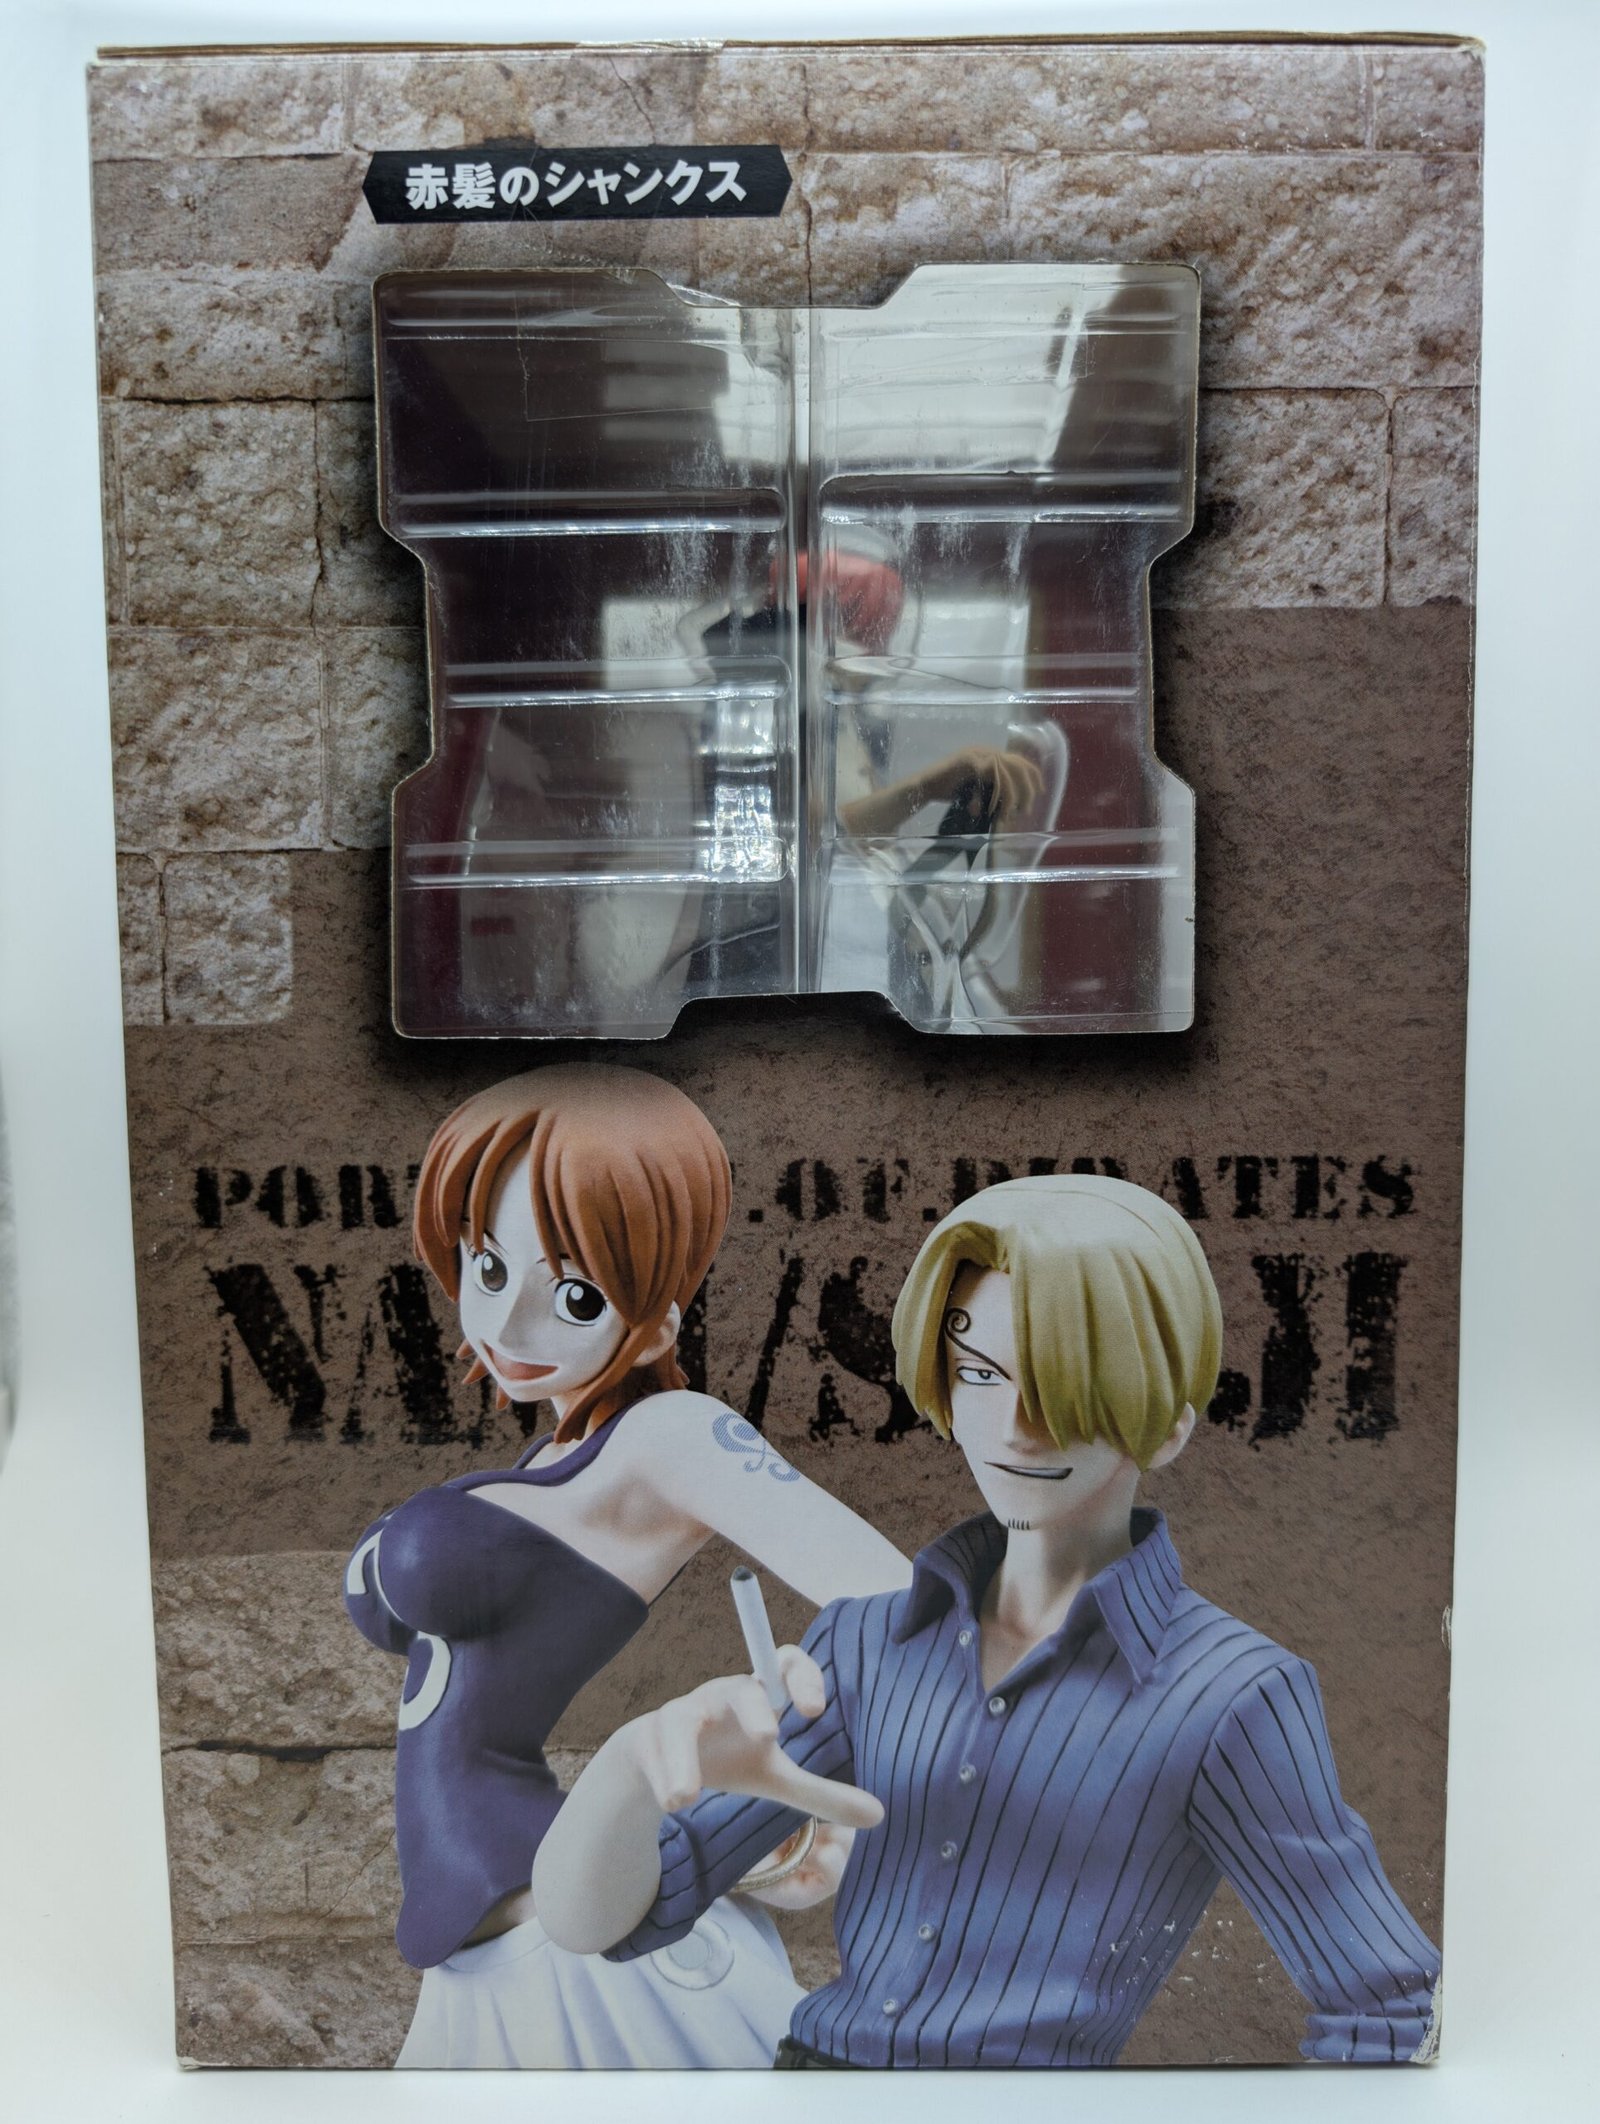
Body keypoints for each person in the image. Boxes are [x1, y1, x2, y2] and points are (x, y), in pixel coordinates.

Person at [533, 1175, 1441, 2068]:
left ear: (1169, 1424)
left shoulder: (1235, 1695)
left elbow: (1391, 2009)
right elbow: (599, 1922)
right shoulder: (864, 1646)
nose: (1014, 1427)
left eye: (1064, 1381)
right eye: (978, 1373)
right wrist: (631, 1766)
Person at [343, 1064, 910, 2069]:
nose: (507, 1326)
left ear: (658, 1304)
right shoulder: (553, 1455)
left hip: (575, 1951)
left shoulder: (669, 1435)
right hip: (492, 1951)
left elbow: (905, 1608)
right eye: (487, 1268)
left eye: (572, 1294)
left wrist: (799, 1745)